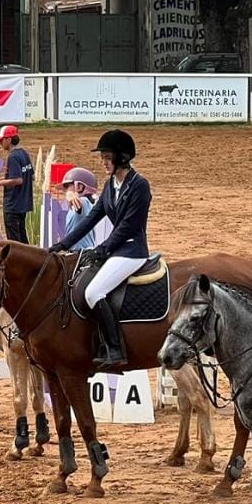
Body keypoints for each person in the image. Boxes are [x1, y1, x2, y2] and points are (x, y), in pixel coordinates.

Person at [50, 130, 150, 368]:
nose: (103, 162)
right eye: (102, 157)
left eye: (107, 157)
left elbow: (128, 227)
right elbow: (90, 219)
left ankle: (115, 349)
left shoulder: (139, 186)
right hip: (116, 250)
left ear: (122, 158)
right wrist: (62, 244)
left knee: (93, 292)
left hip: (132, 251)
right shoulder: (110, 186)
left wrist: (103, 249)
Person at [0, 125, 34, 244]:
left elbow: (18, 180)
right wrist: (7, 178)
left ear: (9, 140)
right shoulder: (24, 153)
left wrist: (0, 183)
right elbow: (31, 176)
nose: (0, 143)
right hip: (23, 203)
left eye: (1, 140)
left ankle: (20, 262)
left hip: (13, 204)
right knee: (22, 237)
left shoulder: (13, 156)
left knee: (14, 242)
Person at [60, 167, 100, 252]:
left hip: (81, 255)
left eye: (68, 186)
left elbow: (81, 205)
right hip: (80, 254)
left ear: (79, 187)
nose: (66, 190)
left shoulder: (84, 202)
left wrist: (70, 194)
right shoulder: (85, 204)